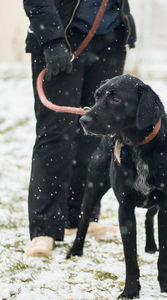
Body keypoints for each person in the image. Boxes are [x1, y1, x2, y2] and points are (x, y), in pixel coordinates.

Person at [23, 0, 136, 257]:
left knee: (95, 136)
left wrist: (126, 20)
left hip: (109, 38)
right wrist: (51, 40)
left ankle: (80, 218)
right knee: (55, 135)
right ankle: (44, 229)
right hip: (62, 38)